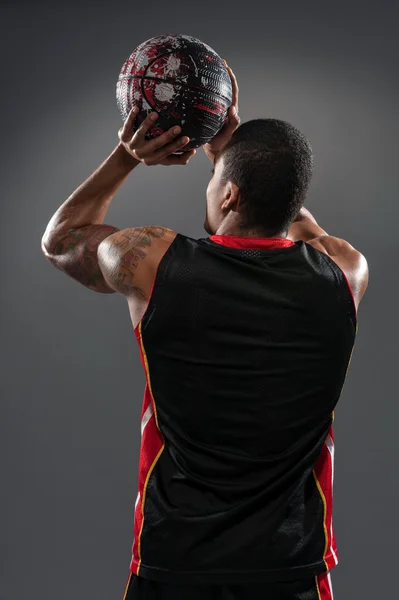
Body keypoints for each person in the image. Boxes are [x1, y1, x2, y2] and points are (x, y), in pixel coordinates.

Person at [41, 61, 368, 600]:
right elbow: (293, 212)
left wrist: (129, 154)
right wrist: (231, 151)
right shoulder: (343, 275)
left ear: (231, 195)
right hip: (291, 568)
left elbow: (62, 239)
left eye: (217, 179)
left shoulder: (149, 263)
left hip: (176, 566)